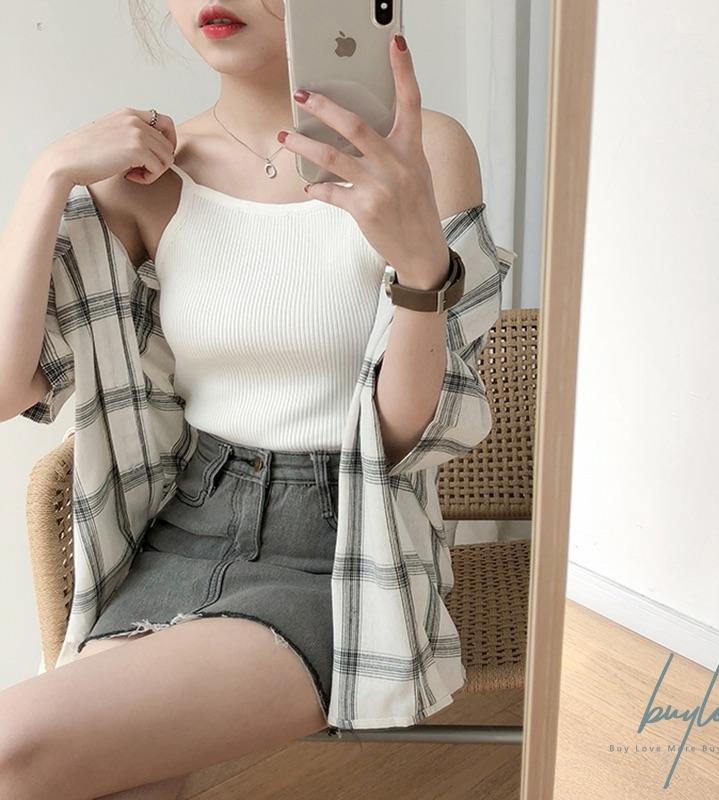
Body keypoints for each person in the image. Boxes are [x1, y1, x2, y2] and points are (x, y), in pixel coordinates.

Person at [0, 1, 512, 798]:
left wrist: (421, 270)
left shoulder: (420, 150)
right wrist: (48, 176)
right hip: (180, 534)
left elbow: (410, 436)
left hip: (340, 550)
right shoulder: (149, 180)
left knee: (14, 749)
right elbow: (9, 388)